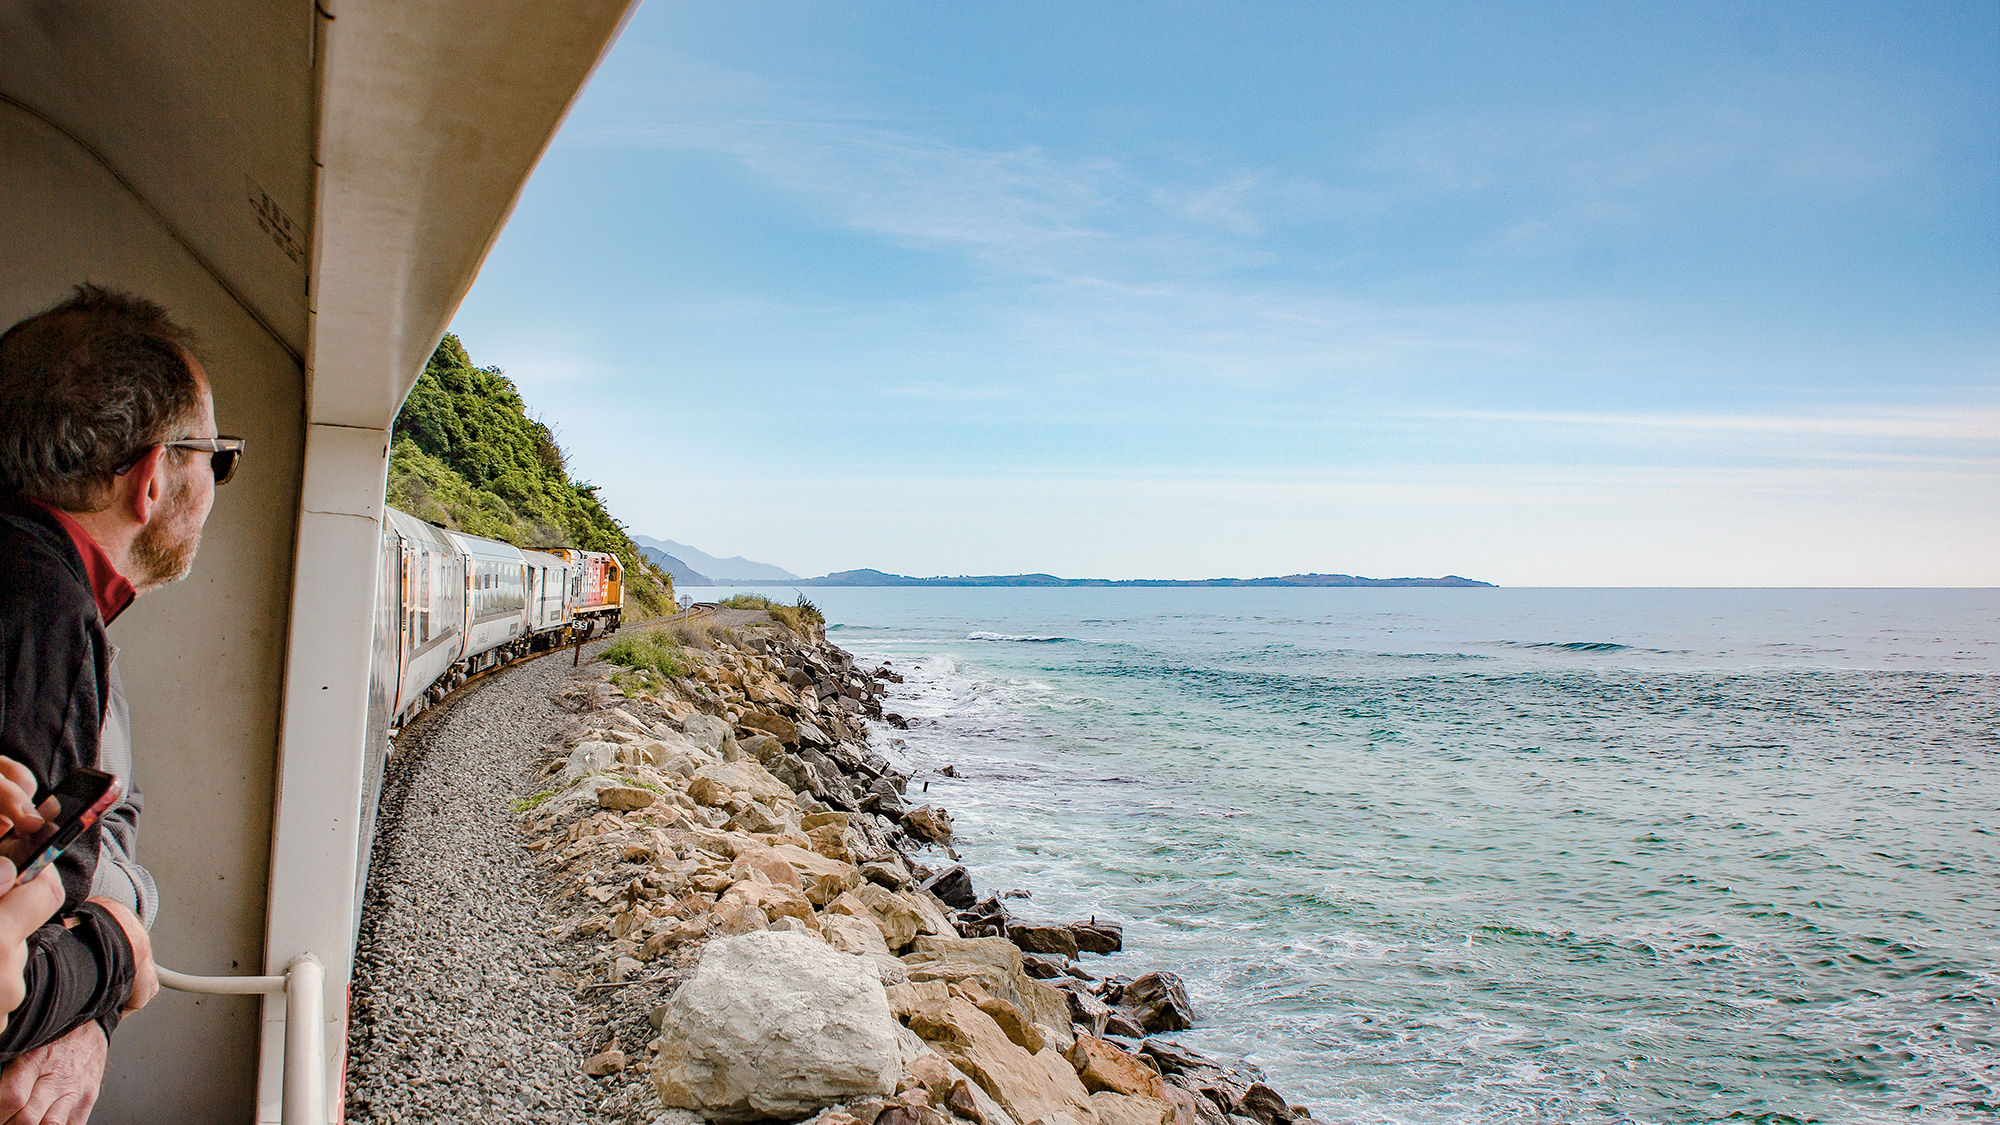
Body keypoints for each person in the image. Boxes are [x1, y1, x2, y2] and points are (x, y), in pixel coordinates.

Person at [0, 285, 241, 1123]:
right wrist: (119, 951)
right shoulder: (49, 616)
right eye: (218, 457)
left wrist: (93, 998)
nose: (216, 482)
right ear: (150, 479)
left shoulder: (71, 606)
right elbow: (12, 965)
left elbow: (100, 837)